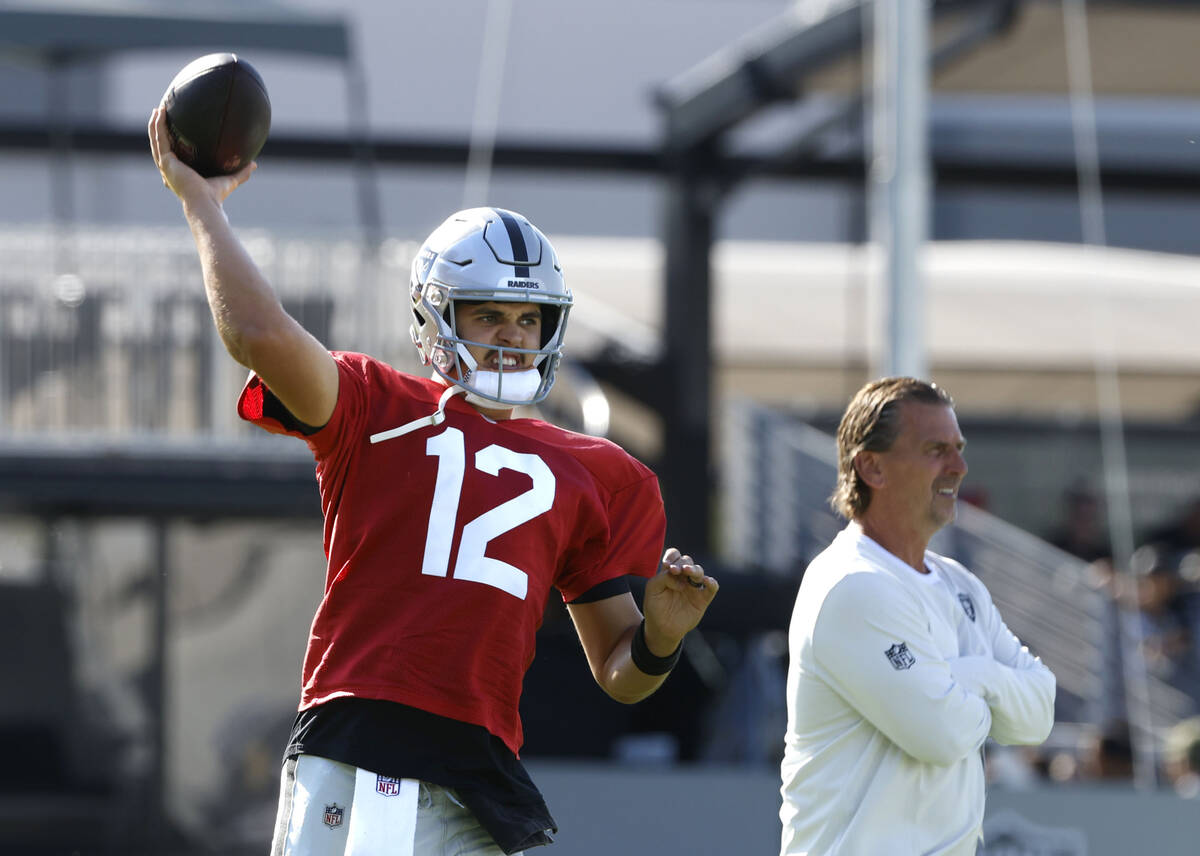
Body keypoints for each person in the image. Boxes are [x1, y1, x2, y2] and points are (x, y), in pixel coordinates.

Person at [148, 107, 719, 856]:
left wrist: (663, 637)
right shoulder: (373, 404)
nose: (512, 337)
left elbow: (620, 675)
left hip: (479, 760)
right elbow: (257, 333)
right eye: (488, 315)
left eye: (528, 318)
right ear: (434, 318)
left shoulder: (605, 473)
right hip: (365, 736)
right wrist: (202, 205)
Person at [779, 377, 1055, 856]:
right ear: (871, 468)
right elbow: (942, 734)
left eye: (958, 448)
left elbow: (1039, 713)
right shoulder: (851, 585)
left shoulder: (960, 584)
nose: (959, 467)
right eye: (935, 450)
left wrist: (969, 677)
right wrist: (990, 689)